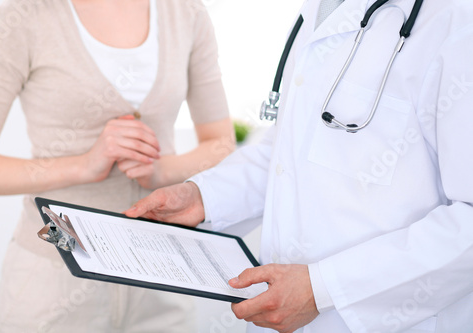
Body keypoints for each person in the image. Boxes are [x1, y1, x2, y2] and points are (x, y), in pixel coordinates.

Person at [124, 0, 473, 332]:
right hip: (282, 313)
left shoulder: (456, 21)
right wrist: (203, 196)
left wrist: (323, 289)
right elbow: (289, 152)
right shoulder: (321, 9)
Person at [0, 0, 235, 331]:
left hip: (161, 274)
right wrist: (82, 166)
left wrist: (162, 171)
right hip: (52, 276)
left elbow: (222, 144)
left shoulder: (186, 13)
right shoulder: (23, 16)